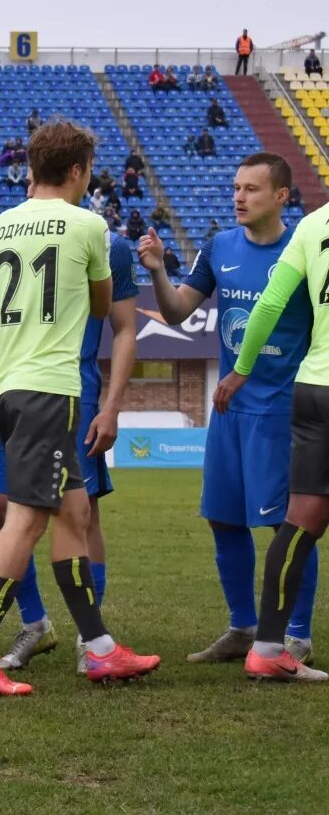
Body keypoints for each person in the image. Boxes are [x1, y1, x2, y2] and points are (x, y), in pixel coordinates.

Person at [0, 120, 160, 696]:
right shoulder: (90, 225)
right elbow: (99, 306)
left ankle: (98, 649)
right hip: (51, 391)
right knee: (26, 520)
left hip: (12, 388)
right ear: (76, 171)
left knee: (75, 513)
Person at [139, 152, 318, 671]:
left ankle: (296, 634)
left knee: (293, 525)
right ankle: (243, 626)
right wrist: (157, 270)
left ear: (282, 196)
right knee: (222, 519)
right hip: (230, 407)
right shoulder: (219, 246)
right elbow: (176, 311)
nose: (238, 197)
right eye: (236, 187)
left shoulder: (303, 247)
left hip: (282, 409)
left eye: (252, 189)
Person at [0, 215, 139, 673]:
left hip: (74, 387)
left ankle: (91, 640)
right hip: (16, 384)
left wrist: (110, 406)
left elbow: (125, 328)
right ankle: (36, 624)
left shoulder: (108, 242)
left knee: (81, 510)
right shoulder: (12, 229)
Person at [214, 179, 329, 682]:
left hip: (313, 388)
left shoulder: (312, 224)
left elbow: (266, 305)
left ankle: (266, 647)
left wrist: (240, 368)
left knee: (300, 520)